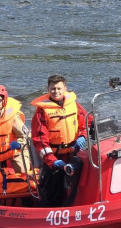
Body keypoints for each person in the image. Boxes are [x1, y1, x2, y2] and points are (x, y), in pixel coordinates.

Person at [31, 74, 88, 206]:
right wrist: (52, 161)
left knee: (77, 186)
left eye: (59, 88)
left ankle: (75, 205)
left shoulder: (74, 105)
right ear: (48, 89)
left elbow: (86, 122)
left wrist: (83, 136)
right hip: (55, 158)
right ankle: (47, 211)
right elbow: (40, 140)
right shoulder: (42, 112)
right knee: (52, 192)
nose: (56, 91)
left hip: (74, 153)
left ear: (65, 89)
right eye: (53, 89)